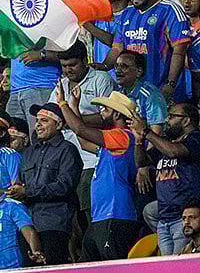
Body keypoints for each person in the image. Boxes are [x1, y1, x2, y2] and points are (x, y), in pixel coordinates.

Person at [58, 87, 139, 261]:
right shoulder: (113, 141)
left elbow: (80, 130)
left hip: (115, 214)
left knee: (114, 266)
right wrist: (74, 106)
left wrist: (62, 103)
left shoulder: (123, 136)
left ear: (117, 115)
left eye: (106, 109)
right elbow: (84, 142)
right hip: (102, 216)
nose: (102, 112)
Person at [6, 103, 83, 265]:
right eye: (37, 121)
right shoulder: (28, 153)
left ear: (59, 124)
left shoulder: (67, 150)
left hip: (53, 224)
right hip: (27, 226)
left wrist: (27, 192)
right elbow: (21, 184)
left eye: (44, 120)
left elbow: (64, 186)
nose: (38, 125)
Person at [132, 102, 200, 255]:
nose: (166, 121)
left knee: (178, 267)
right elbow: (142, 162)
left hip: (182, 218)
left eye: (171, 116)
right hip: (164, 219)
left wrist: (147, 131)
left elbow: (174, 152)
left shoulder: (195, 139)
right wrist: (139, 141)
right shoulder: (166, 143)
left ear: (186, 120)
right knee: (167, 266)